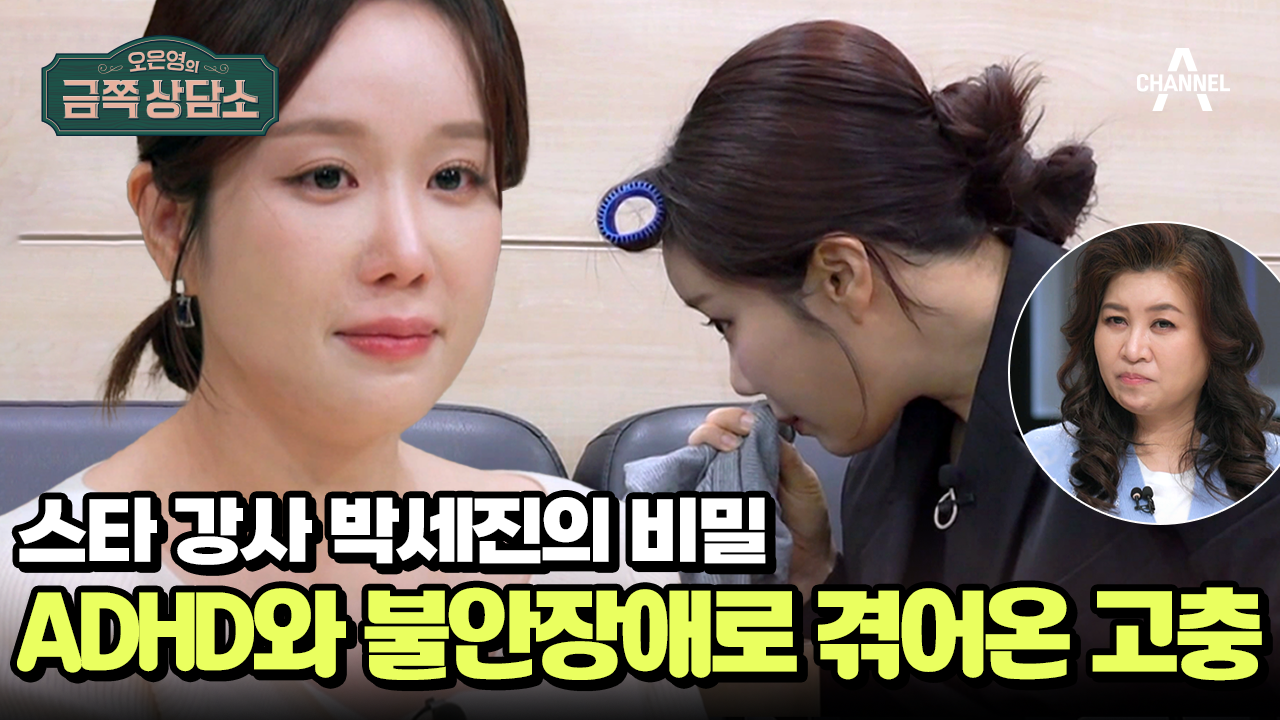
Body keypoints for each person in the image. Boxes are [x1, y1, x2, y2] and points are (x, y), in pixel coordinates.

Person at [0, 2, 703, 718]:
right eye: (327, 176)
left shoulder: (587, 566)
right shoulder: (36, 603)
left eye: (453, 176)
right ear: (171, 224)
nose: (406, 254)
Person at [599, 20, 1280, 714]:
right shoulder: (889, 450)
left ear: (839, 276)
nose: (741, 380)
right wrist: (812, 576)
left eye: (725, 322)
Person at [1025, 223, 1280, 523]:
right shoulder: (1038, 459)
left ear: (1216, 338)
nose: (1133, 351)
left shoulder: (1271, 462)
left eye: (1162, 324)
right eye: (1116, 320)